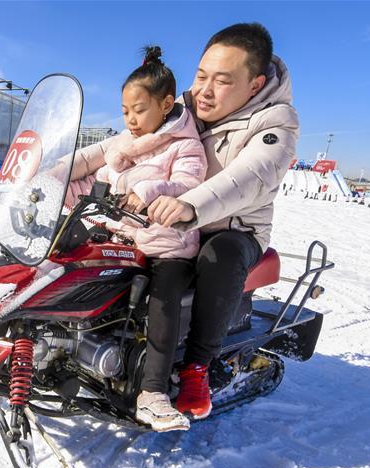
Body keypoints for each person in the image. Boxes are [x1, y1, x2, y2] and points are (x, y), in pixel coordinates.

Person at [140, 23, 298, 420]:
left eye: (223, 81)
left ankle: (196, 367)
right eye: (201, 75)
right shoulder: (182, 109)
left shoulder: (276, 124)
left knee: (219, 254)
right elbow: (131, 142)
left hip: (234, 230)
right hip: (177, 225)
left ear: (255, 84)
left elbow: (249, 176)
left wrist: (190, 206)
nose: (205, 90)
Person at [65, 47, 207, 432]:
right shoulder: (122, 145)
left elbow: (189, 184)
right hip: (122, 234)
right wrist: (55, 190)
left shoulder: (185, 145)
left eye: (138, 110)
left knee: (162, 301)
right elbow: (97, 186)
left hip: (167, 243)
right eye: (125, 111)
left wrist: (149, 192)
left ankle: (153, 392)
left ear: (165, 105)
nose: (130, 119)